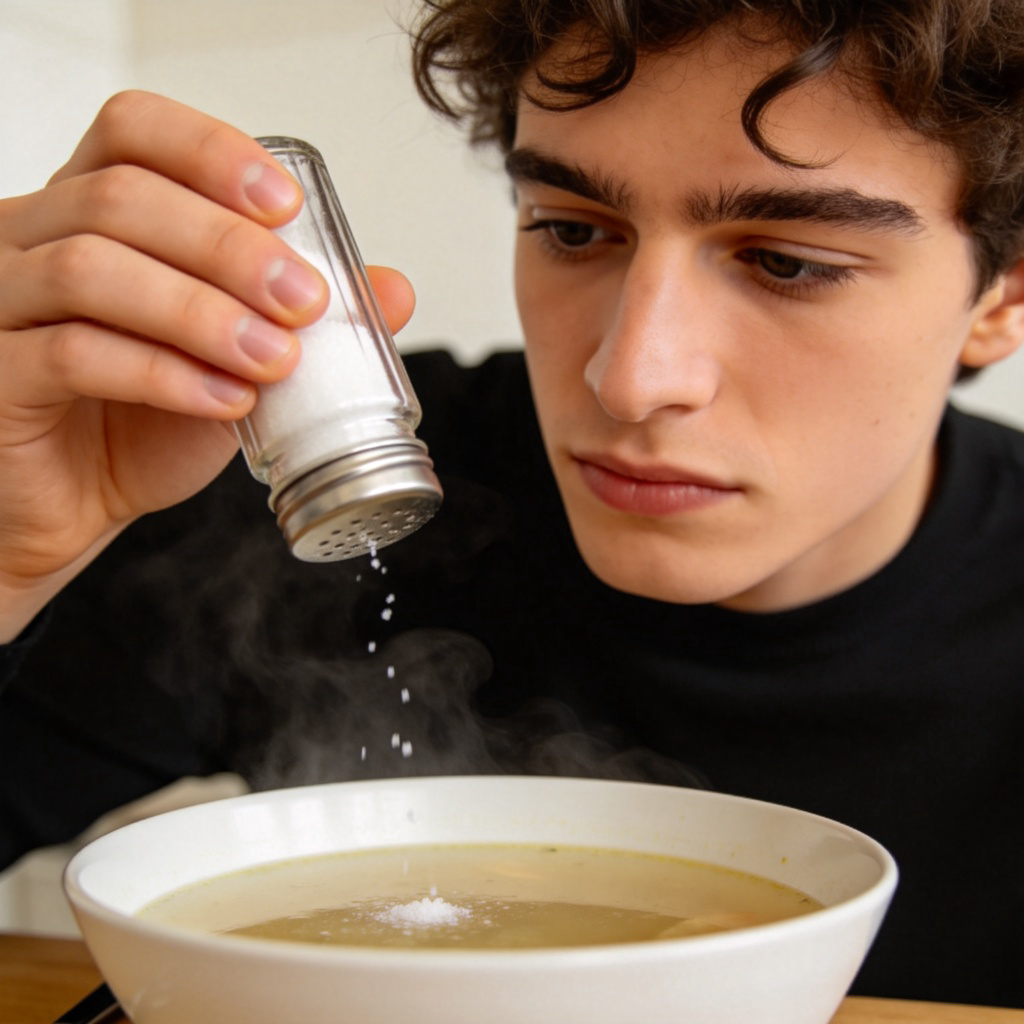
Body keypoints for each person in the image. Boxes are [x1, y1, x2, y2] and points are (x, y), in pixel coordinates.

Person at [1, 0, 1022, 1008]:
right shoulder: (328, 486)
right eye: (574, 230)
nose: (628, 378)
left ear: (1003, 298)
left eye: (787, 262)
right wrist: (12, 556)